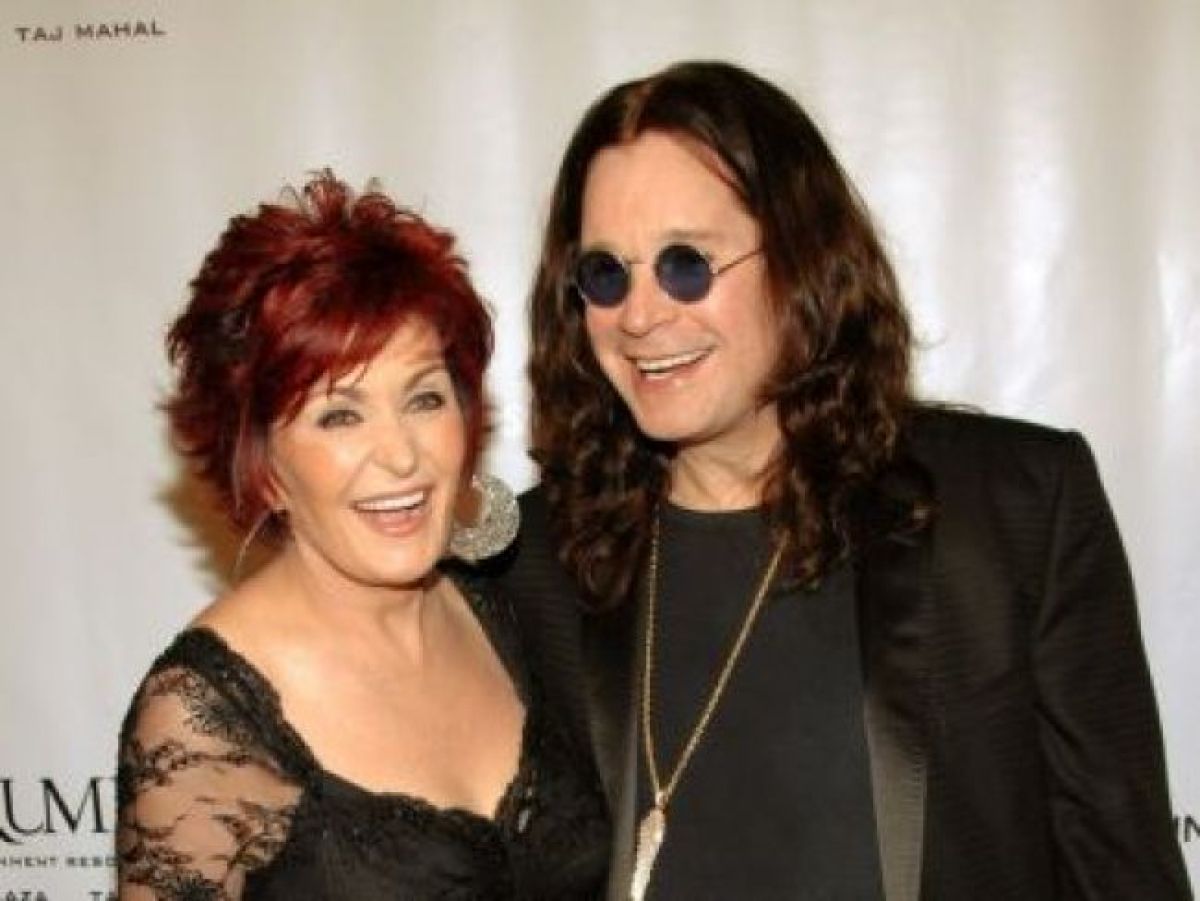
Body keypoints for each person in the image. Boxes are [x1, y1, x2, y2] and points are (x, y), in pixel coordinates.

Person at [496, 61, 1192, 900]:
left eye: (686, 264)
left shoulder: (1012, 508)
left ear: (800, 258)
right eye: (607, 273)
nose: (640, 316)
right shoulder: (536, 565)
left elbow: (1124, 871)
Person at [116, 170, 608, 899]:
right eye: (340, 415)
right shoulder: (204, 720)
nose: (402, 455)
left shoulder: (511, 607)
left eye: (424, 398)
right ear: (261, 461)